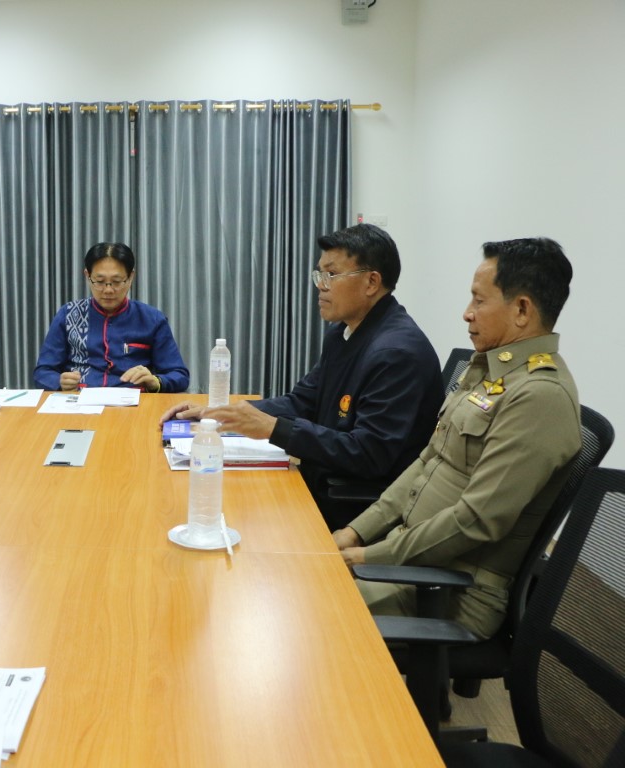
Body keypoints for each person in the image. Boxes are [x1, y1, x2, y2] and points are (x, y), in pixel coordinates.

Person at [336, 238, 580, 639]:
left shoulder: (539, 397)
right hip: (409, 563)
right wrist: (354, 532)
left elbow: (475, 522)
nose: (467, 313)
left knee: (307, 612)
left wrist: (367, 556)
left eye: (479, 301)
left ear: (522, 310)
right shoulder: (489, 369)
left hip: (451, 592)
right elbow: (427, 460)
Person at [161, 224, 442, 529]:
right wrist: (219, 413)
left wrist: (274, 428)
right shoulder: (343, 334)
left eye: (331, 275)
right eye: (319, 275)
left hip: (356, 509)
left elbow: (369, 454)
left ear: (371, 282)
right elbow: (304, 401)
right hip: (321, 479)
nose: (321, 286)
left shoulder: (396, 353)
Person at [33, 242, 190, 393]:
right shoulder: (68, 315)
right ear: (88, 276)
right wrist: (59, 382)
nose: (108, 290)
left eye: (116, 282)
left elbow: (179, 374)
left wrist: (155, 382)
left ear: (131, 277)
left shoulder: (151, 319)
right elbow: (43, 372)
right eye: (100, 281)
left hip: (134, 403)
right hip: (79, 400)